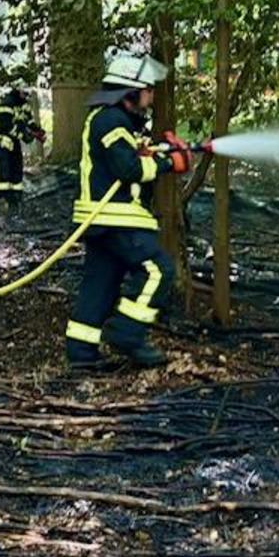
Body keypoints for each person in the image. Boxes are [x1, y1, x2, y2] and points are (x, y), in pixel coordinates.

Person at [63, 52, 190, 372]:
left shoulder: (112, 121)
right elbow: (129, 168)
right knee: (158, 270)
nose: (150, 98)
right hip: (114, 217)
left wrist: (160, 150)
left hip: (103, 220)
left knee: (100, 285)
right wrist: (168, 163)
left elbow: (126, 156)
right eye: (147, 91)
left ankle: (81, 354)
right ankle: (127, 333)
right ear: (129, 92)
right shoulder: (110, 120)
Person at [0, 88, 45, 214]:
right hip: (1, 142)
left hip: (13, 142)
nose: (26, 96)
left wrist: (37, 131)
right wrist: (24, 136)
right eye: (24, 93)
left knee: (17, 169)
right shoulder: (6, 103)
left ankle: (16, 200)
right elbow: (6, 125)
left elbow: (29, 121)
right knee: (6, 171)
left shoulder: (24, 105)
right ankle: (3, 200)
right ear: (18, 90)